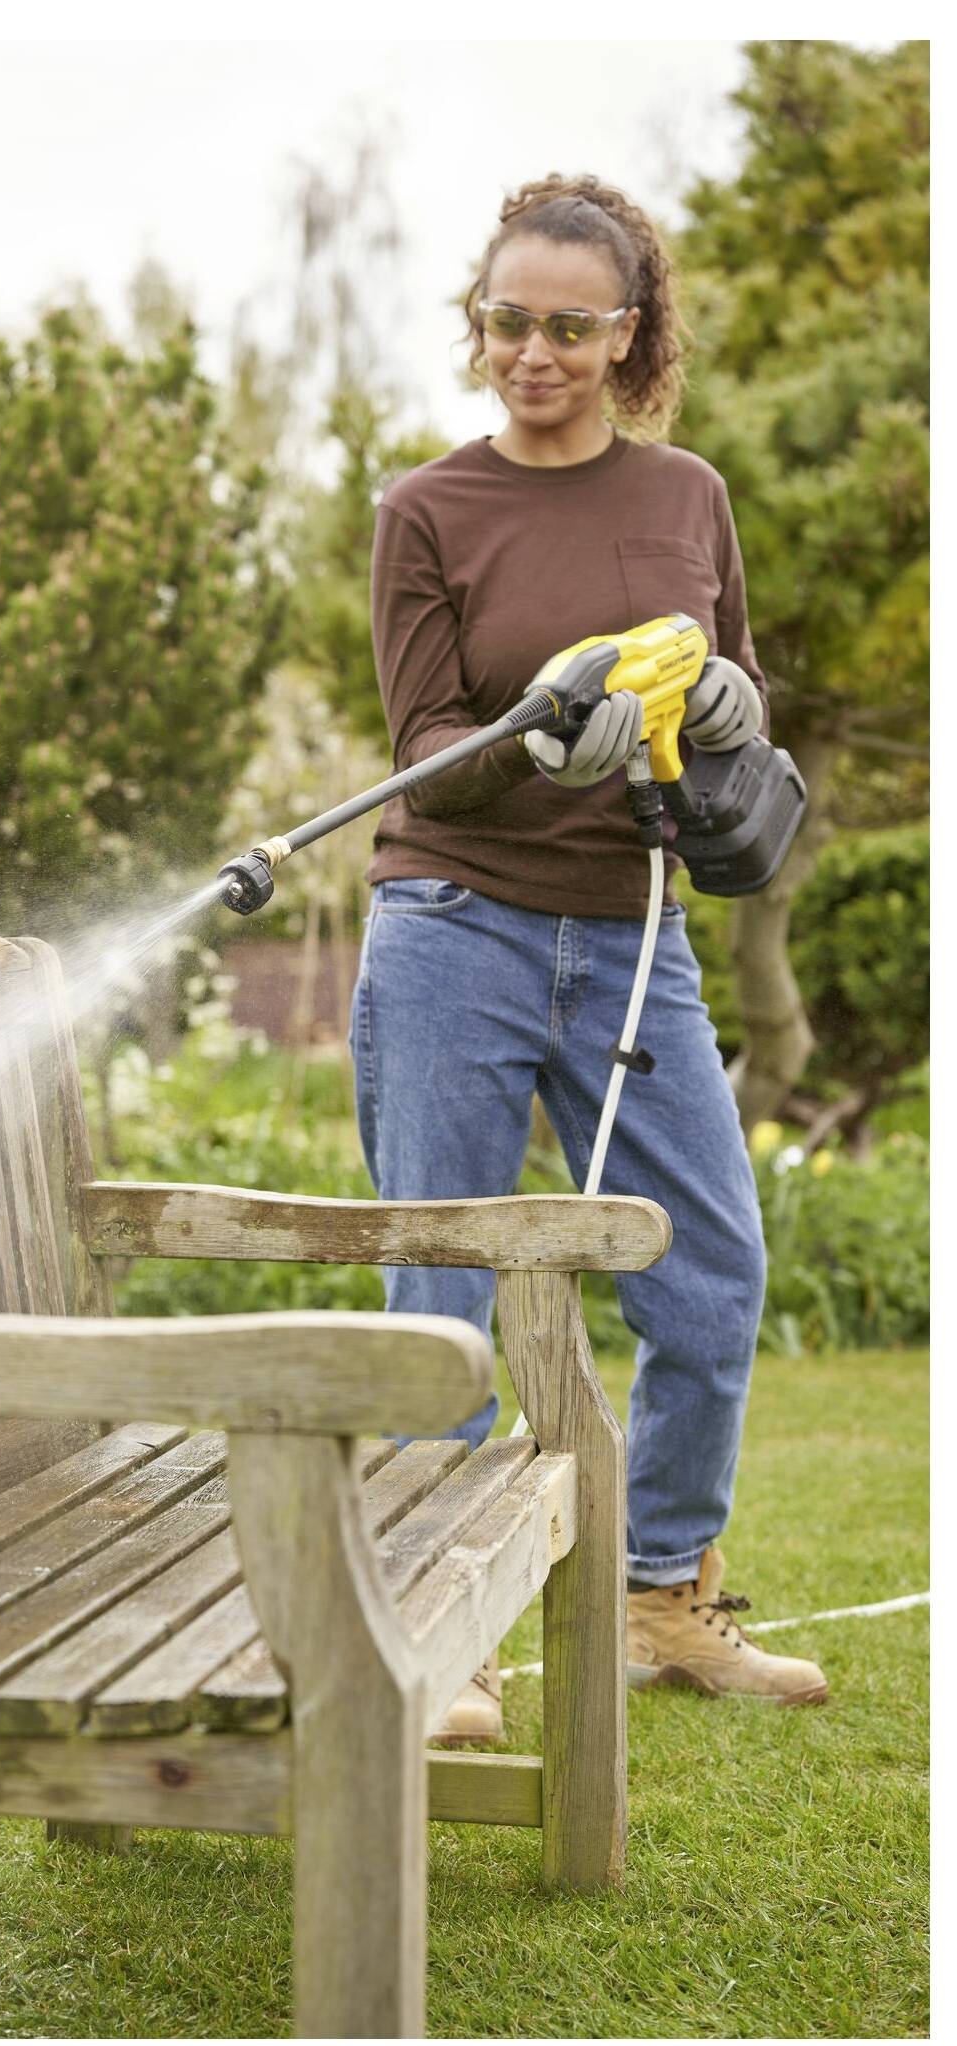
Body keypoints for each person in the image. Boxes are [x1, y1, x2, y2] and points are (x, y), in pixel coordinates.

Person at [349, 174, 828, 1744]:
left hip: (636, 937)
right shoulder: (427, 511)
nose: (536, 353)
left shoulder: (687, 494)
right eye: (510, 322)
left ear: (628, 334)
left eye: (571, 326)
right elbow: (423, 752)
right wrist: (535, 741)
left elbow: (730, 673)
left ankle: (662, 1596)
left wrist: (734, 711)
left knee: (712, 1272)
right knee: (442, 1285)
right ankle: (446, 1629)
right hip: (455, 926)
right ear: (478, 324)